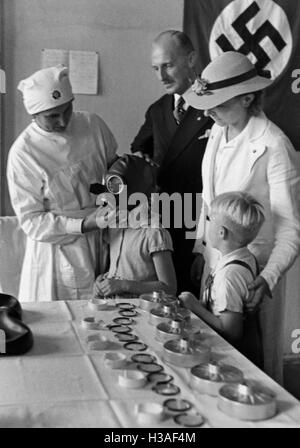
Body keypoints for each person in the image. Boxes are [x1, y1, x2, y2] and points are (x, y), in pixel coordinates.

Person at [184, 51, 300, 383]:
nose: (209, 111)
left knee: (252, 363)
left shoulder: (274, 145)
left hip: (253, 272)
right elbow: (209, 200)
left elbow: (290, 228)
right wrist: (199, 247)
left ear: (247, 98)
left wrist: (268, 278)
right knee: (214, 353)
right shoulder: (219, 132)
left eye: (218, 104)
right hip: (216, 262)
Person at [7, 65, 118, 302]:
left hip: (100, 238)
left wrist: (130, 171)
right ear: (33, 115)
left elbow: (113, 168)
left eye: (67, 110)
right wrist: (83, 224)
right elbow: (32, 221)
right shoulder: (24, 152)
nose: (63, 121)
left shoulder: (92, 125)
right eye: (52, 116)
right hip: (55, 251)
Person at [130, 30, 213, 296]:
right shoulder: (158, 110)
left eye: (167, 65)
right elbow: (138, 149)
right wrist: (140, 161)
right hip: (165, 222)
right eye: (155, 68)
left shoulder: (216, 105)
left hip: (202, 223)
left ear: (190, 59)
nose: (161, 76)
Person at [179, 191, 265, 367]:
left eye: (209, 220)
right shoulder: (244, 257)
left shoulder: (229, 276)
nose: (206, 224)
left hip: (234, 360)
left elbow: (232, 332)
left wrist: (194, 306)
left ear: (221, 232)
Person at [93, 154, 177, 298]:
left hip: (141, 311)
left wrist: (125, 286)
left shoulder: (154, 233)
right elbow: (119, 271)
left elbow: (169, 288)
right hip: (114, 307)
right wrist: (102, 282)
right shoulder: (114, 226)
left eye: (117, 188)